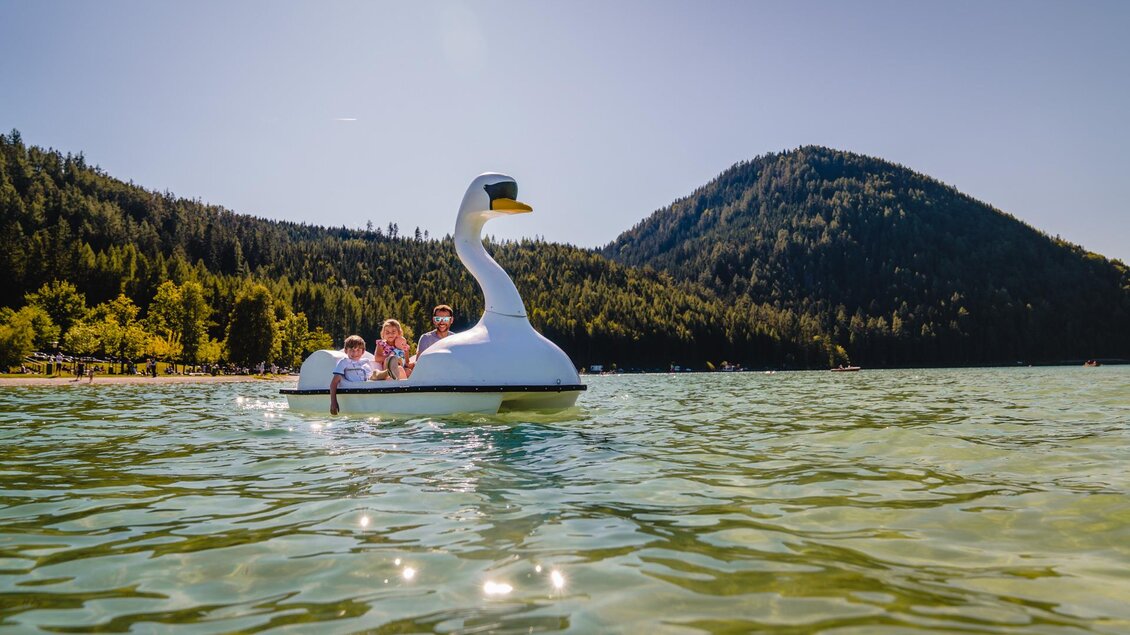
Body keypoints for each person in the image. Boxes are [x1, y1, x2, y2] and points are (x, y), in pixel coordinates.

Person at [330, 335, 373, 415]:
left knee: (376, 375)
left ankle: (389, 372)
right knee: (376, 375)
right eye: (351, 350)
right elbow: (334, 383)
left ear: (363, 351)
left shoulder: (365, 362)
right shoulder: (344, 362)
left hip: (370, 384)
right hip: (357, 386)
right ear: (346, 351)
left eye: (358, 350)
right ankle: (387, 372)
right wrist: (333, 402)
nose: (355, 353)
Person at [411, 305, 454, 370]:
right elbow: (419, 364)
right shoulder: (426, 338)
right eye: (438, 319)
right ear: (434, 320)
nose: (442, 322)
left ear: (451, 320)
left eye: (446, 319)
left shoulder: (455, 339)